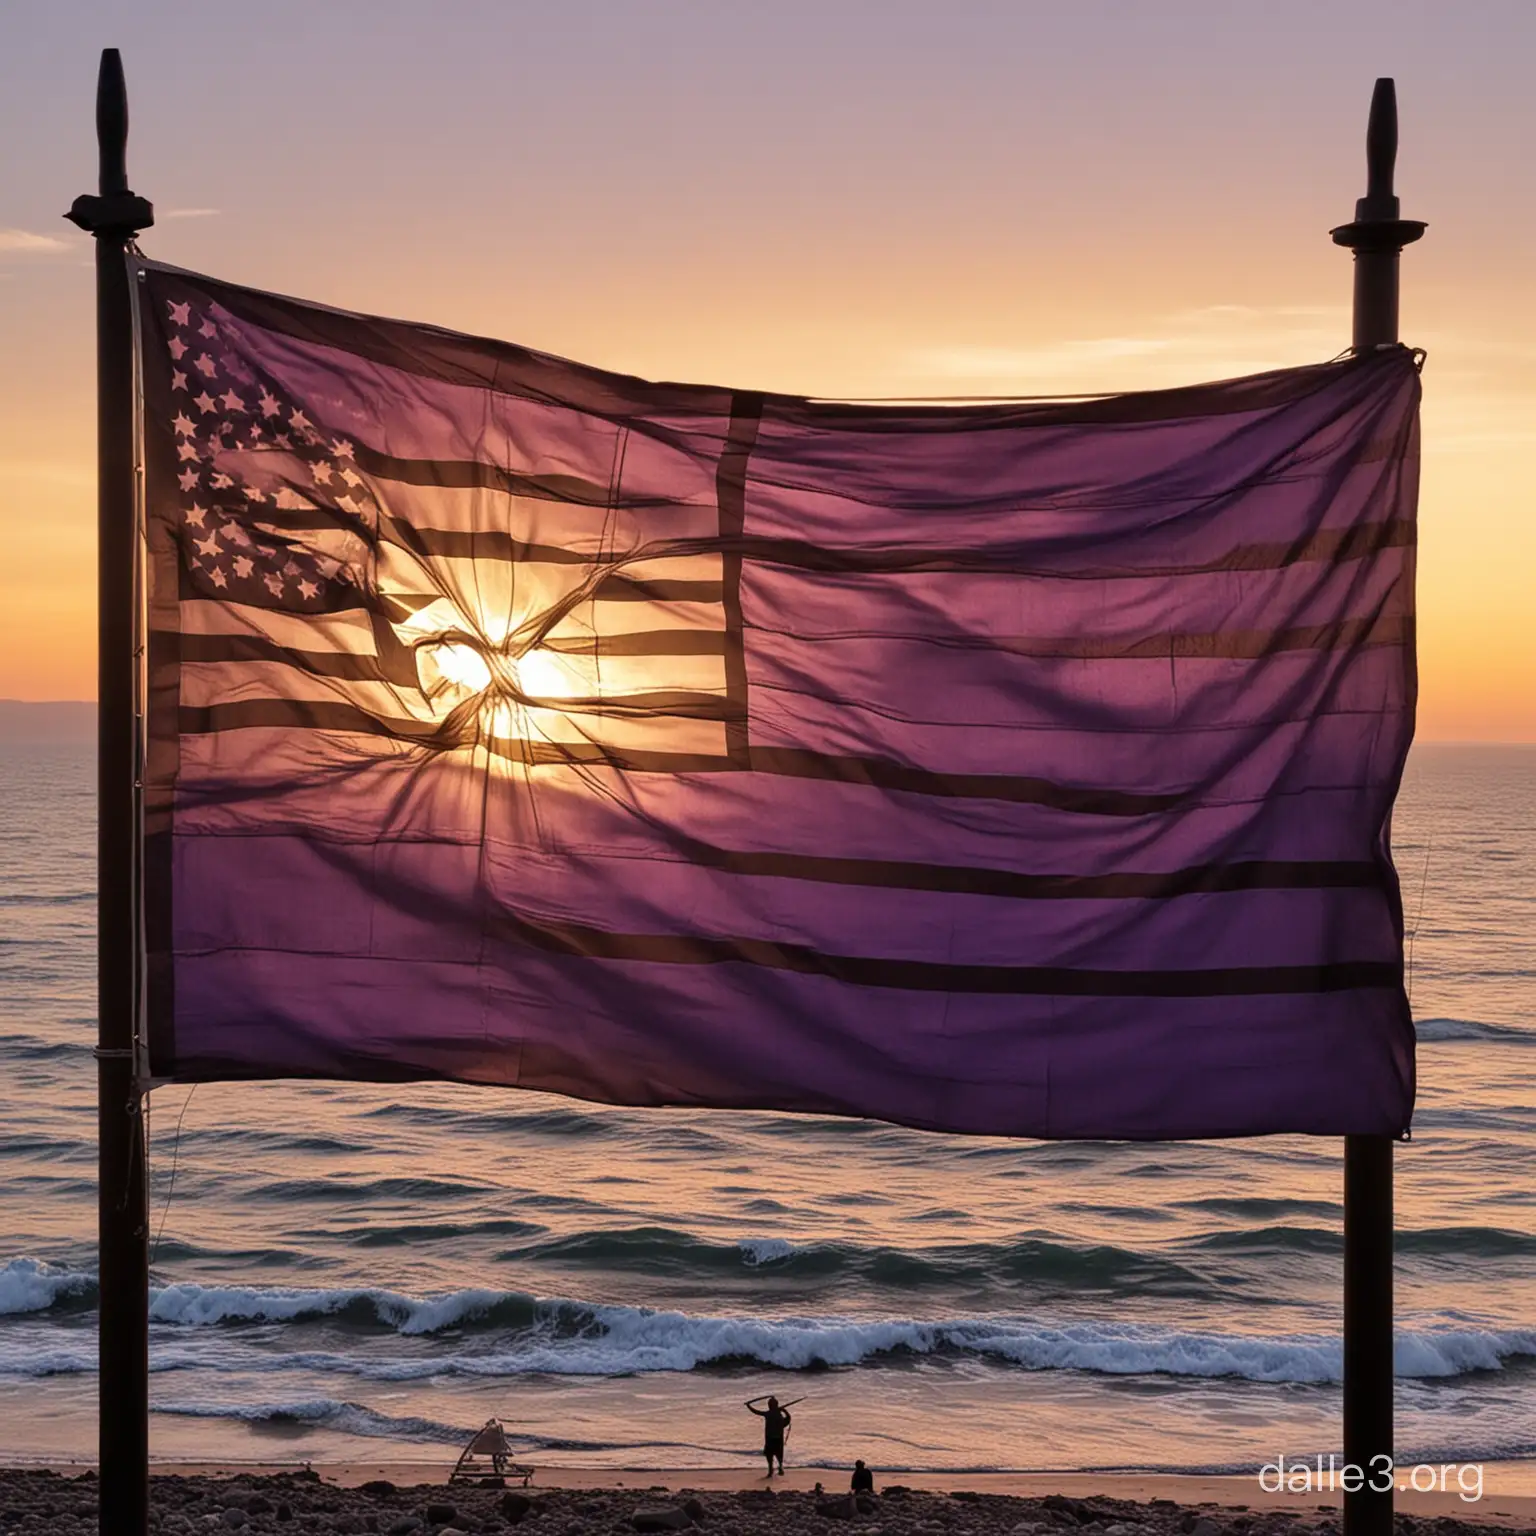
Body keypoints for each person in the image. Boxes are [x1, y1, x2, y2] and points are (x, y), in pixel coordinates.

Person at [745, 1395, 792, 1476]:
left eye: (770, 1404)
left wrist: (749, 1406)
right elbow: (787, 1419)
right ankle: (776, 1469)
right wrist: (784, 1411)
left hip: (772, 1438)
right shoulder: (775, 1414)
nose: (769, 1406)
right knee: (775, 1455)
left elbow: (756, 1412)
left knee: (771, 1455)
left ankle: (775, 1470)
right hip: (775, 1438)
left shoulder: (769, 1414)